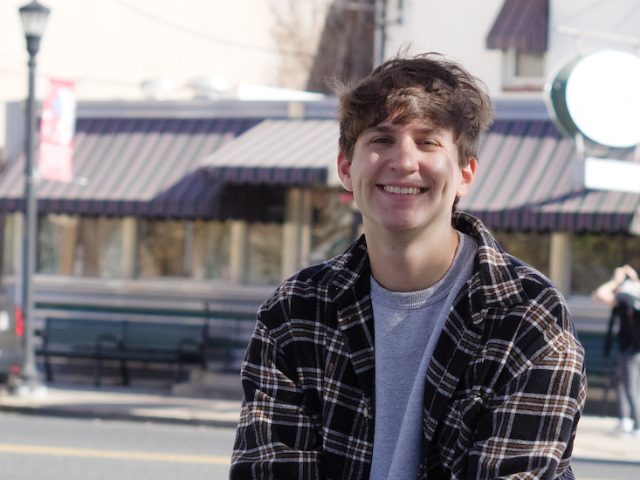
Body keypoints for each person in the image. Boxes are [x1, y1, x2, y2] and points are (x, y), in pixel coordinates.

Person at [231, 53, 587, 479]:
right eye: (381, 140)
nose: (403, 161)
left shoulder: (527, 315)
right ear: (346, 167)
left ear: (465, 174)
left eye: (428, 141)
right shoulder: (296, 311)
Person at [592, 264, 640, 436]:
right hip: (632, 348)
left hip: (631, 349)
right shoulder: (633, 295)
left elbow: (598, 295)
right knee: (629, 385)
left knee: (630, 386)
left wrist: (615, 281)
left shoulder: (625, 297)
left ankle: (634, 424)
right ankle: (630, 422)